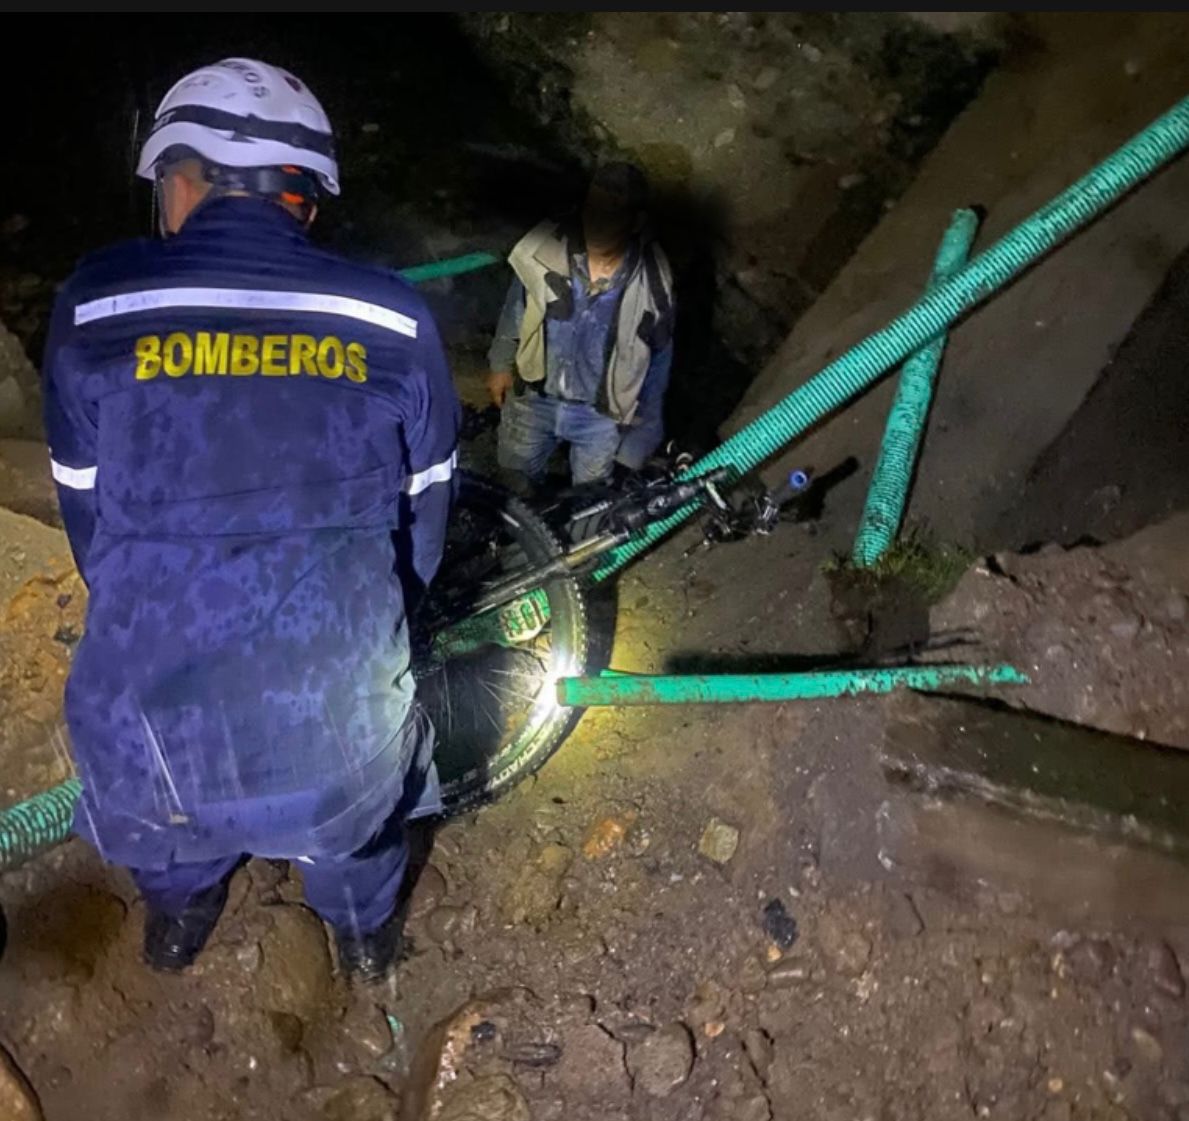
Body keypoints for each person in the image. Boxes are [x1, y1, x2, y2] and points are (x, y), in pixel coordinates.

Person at [41, 58, 460, 983]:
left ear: (176, 179)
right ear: (305, 201)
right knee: (358, 834)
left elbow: (87, 522)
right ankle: (360, 938)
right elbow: (423, 525)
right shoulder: (391, 322)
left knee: (162, 825)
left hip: (147, 743)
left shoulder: (95, 308)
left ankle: (182, 914)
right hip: (336, 736)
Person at [485, 162, 675, 491]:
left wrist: (639, 440)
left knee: (589, 508)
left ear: (636, 222)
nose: (599, 224)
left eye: (613, 213)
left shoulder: (652, 285)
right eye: (594, 209)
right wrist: (501, 363)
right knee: (512, 493)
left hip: (601, 417)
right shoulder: (546, 252)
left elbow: (657, 360)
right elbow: (518, 305)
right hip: (534, 399)